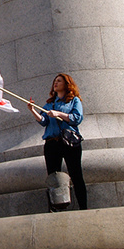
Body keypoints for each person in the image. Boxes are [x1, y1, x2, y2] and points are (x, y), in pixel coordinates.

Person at [27, 73, 87, 210]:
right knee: (53, 177)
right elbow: (43, 121)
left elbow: (77, 118)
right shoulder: (49, 104)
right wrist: (33, 110)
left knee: (76, 175)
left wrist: (59, 114)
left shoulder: (74, 100)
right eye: (55, 81)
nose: (55, 83)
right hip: (52, 143)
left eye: (59, 81)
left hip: (69, 141)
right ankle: (56, 207)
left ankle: (83, 206)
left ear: (67, 84)